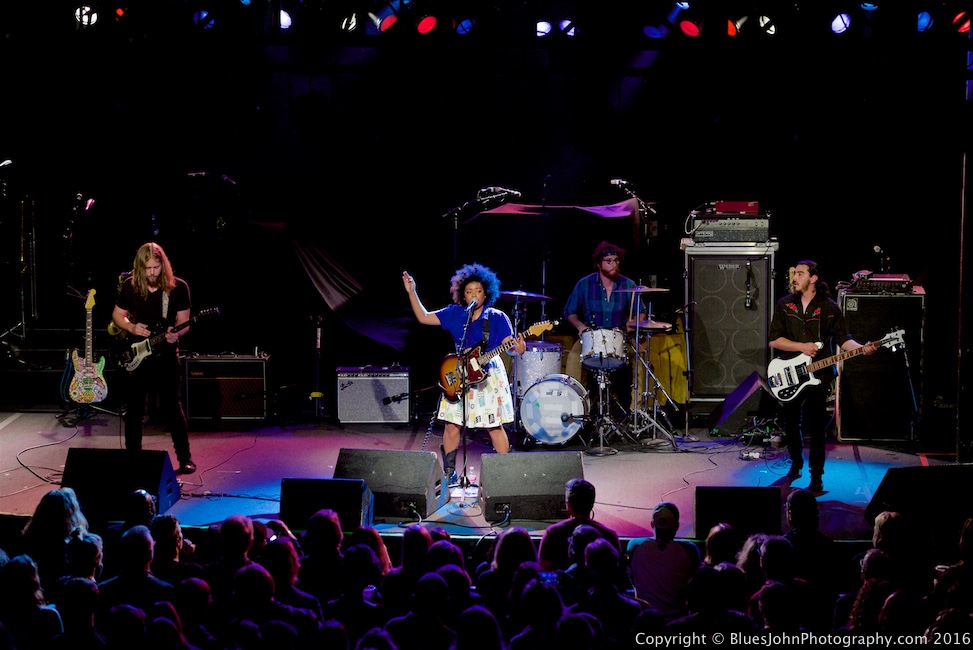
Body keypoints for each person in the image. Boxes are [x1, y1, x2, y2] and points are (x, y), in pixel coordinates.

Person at [402, 264, 526, 484]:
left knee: (493, 425)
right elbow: (423, 317)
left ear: (486, 292)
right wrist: (412, 292)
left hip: (488, 375)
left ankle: (503, 474)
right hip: (459, 372)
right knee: (452, 425)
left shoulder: (496, 317)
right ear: (462, 294)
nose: (474, 295)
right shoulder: (454, 313)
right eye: (469, 292)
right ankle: (449, 474)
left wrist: (519, 347)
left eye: (478, 291)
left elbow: (511, 347)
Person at [768, 259, 877, 492]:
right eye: (794, 273)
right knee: (791, 423)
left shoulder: (829, 308)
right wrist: (802, 347)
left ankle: (816, 475)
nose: (794, 277)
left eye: (799, 273)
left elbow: (843, 340)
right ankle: (796, 462)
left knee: (816, 427)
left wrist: (862, 348)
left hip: (820, 374)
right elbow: (775, 339)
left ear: (813, 278)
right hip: (790, 372)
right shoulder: (784, 305)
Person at [111, 242, 196, 474]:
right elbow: (118, 316)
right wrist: (131, 328)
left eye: (156, 267)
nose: (152, 272)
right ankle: (133, 458)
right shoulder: (130, 286)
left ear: (163, 265)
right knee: (135, 409)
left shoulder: (178, 288)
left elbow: (183, 322)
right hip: (139, 355)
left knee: (172, 407)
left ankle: (185, 458)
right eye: (147, 268)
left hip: (166, 355)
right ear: (140, 267)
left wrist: (175, 334)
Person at [562, 241, 648, 418]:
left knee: (642, 358)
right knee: (572, 358)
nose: (614, 264)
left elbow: (642, 313)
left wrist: (631, 326)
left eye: (616, 260)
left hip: (620, 337)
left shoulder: (628, 284)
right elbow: (569, 312)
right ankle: (575, 410)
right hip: (591, 337)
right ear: (599, 264)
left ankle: (636, 411)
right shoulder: (585, 284)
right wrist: (581, 327)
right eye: (609, 260)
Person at [626, 502, 700, 622]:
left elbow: (631, 576)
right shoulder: (690, 550)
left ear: (651, 524)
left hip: (646, 620)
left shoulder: (634, 545)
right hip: (678, 620)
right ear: (677, 527)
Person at [537, 478, 621, 573]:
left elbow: (543, 569)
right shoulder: (609, 534)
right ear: (592, 504)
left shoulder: (553, 532)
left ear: (568, 505)